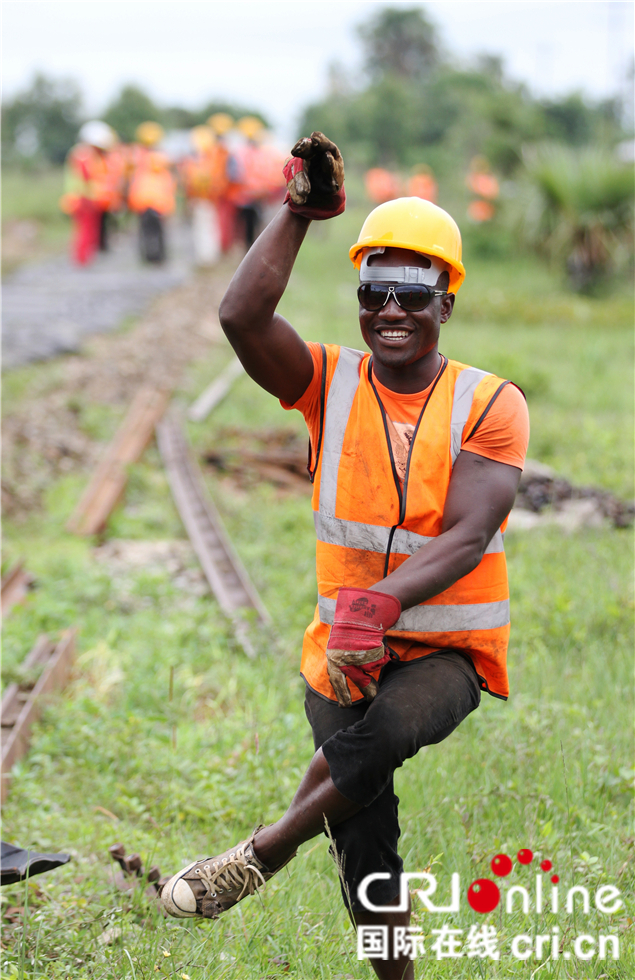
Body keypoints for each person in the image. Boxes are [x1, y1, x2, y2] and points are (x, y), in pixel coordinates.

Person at [160, 133, 529, 980]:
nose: (390, 309)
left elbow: (468, 533)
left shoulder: (490, 403)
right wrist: (295, 214)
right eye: (373, 292)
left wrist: (379, 605)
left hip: (444, 654)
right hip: (342, 653)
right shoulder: (328, 382)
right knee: (364, 836)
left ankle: (261, 854)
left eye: (412, 291)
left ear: (447, 302)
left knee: (375, 744)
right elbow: (239, 318)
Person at [60, 120, 121, 265]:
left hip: (89, 198)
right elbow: (88, 177)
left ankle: (86, 257)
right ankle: (82, 259)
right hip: (84, 198)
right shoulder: (83, 155)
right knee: (85, 230)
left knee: (90, 230)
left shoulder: (85, 153)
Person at [128, 122, 176, 263]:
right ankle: (159, 257)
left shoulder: (136, 156)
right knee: (159, 231)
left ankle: (148, 257)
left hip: (142, 201)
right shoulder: (163, 157)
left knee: (145, 231)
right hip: (160, 202)